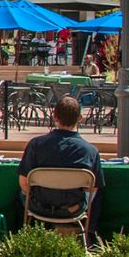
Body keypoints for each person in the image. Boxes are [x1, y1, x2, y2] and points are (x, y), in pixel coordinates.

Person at [18, 96, 103, 236]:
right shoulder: (90, 151)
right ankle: (90, 237)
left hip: (39, 208)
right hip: (72, 209)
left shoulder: (35, 145)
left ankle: (22, 236)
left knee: (19, 194)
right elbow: (93, 189)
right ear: (80, 118)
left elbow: (23, 183)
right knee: (98, 191)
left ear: (55, 117)